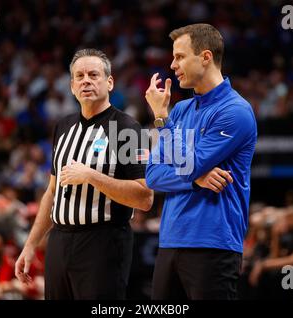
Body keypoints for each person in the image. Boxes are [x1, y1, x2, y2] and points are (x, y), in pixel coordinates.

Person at [15, 49, 154, 300]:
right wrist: (31, 244)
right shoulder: (64, 126)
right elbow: (52, 191)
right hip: (59, 241)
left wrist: (92, 176)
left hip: (103, 242)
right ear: (71, 86)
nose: (86, 81)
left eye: (93, 74)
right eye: (79, 76)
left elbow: (144, 197)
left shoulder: (125, 129)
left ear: (109, 82)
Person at [145, 23, 257, 299]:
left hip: (214, 244)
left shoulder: (236, 111)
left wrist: (161, 118)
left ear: (206, 57)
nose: (172, 65)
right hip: (170, 241)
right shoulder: (181, 111)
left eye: (180, 57)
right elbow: (153, 175)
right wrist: (196, 180)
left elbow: (189, 164)